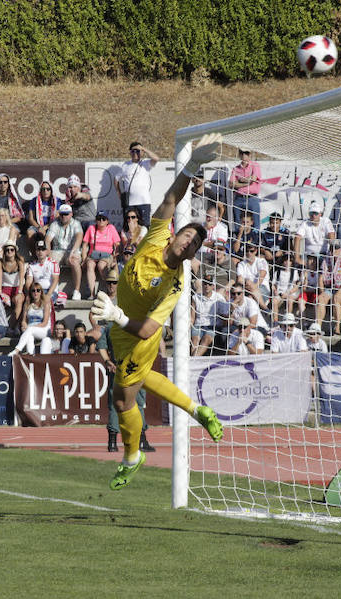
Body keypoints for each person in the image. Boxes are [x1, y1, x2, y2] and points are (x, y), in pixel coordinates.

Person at [90, 132, 224, 490]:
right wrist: (192, 166)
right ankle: (198, 410)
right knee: (145, 378)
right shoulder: (155, 236)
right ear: (177, 234)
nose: (190, 242)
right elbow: (170, 197)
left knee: (122, 398)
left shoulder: (175, 282)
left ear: (194, 254)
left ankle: (132, 456)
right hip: (120, 330)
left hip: (136, 339)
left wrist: (117, 316)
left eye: (196, 243)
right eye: (188, 235)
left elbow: (150, 330)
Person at [96, 270, 154, 454]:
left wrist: (107, 362)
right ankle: (141, 440)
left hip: (120, 368)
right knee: (137, 404)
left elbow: (101, 346)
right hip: (133, 368)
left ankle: (113, 442)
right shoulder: (134, 324)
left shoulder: (111, 326)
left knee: (117, 405)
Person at [45, 203, 83, 299]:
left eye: (66, 214)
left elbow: (79, 237)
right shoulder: (54, 224)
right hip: (57, 250)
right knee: (51, 261)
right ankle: (54, 288)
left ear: (71, 214)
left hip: (72, 250)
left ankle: (77, 290)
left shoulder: (76, 223)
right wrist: (48, 253)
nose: (64, 216)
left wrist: (73, 251)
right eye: (62, 214)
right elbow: (48, 240)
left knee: (74, 261)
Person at [117, 141, 159, 227]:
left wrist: (143, 149)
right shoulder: (125, 165)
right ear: (130, 152)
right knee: (129, 226)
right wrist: (119, 193)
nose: (135, 153)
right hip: (129, 203)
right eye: (133, 151)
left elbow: (156, 159)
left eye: (137, 151)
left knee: (145, 226)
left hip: (144, 201)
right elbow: (116, 179)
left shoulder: (146, 163)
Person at [82, 212, 120, 298]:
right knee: (90, 264)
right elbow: (84, 245)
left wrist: (115, 257)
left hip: (107, 255)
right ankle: (92, 293)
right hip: (93, 254)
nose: (101, 221)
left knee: (101, 265)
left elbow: (117, 244)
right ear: (96, 220)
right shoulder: (91, 228)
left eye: (104, 219)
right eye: (99, 219)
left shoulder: (111, 228)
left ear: (107, 221)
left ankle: (110, 288)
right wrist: (84, 259)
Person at [8, 283, 52, 355]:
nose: (35, 293)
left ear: (41, 292)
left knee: (29, 330)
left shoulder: (45, 304)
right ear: (30, 292)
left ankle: (17, 350)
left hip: (43, 329)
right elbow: (24, 320)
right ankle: (31, 355)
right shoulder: (27, 304)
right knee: (29, 336)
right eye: (33, 291)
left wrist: (29, 327)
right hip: (31, 329)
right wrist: (24, 325)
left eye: (38, 290)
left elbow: (45, 322)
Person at [228, 148, 262, 227]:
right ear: (239, 154)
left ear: (250, 154)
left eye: (246, 153)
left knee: (255, 224)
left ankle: (255, 239)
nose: (244, 155)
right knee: (237, 223)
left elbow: (253, 179)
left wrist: (240, 181)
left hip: (252, 198)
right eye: (242, 153)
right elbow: (231, 184)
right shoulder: (236, 168)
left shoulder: (255, 165)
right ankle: (238, 238)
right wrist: (246, 182)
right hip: (239, 198)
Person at [191, 277, 223, 357]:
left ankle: (193, 360)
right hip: (198, 325)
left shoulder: (219, 298)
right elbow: (192, 317)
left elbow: (224, 315)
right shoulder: (195, 297)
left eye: (209, 284)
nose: (207, 286)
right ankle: (193, 360)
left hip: (213, 326)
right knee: (195, 340)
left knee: (206, 339)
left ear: (213, 286)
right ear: (202, 285)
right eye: (205, 284)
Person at [25, 238, 61, 307]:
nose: (40, 252)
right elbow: (28, 282)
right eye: (38, 249)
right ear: (35, 251)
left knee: (44, 302)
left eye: (43, 249)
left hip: (50, 291)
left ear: (47, 251)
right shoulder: (31, 265)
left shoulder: (53, 264)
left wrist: (48, 295)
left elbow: (55, 280)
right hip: (37, 291)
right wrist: (30, 294)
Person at [0, 240, 25, 323]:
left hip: (17, 288)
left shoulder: (20, 261)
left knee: (19, 300)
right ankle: (0, 325)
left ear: (15, 251)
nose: (9, 251)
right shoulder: (0, 262)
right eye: (7, 250)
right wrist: (0, 292)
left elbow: (21, 277)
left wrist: (20, 291)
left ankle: (13, 325)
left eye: (12, 249)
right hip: (5, 288)